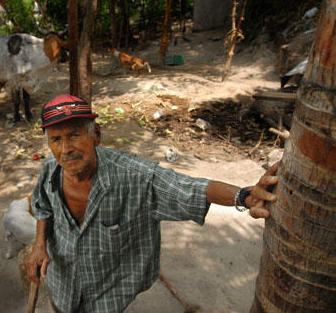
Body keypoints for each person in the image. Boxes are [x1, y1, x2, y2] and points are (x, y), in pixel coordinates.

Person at [26, 94, 278, 313]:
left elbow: (191, 187)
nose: (66, 149)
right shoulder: (51, 168)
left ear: (96, 135)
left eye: (74, 135)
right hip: (62, 282)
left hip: (107, 292)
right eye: (56, 140)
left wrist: (245, 196)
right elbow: (42, 206)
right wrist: (39, 245)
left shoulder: (134, 176)